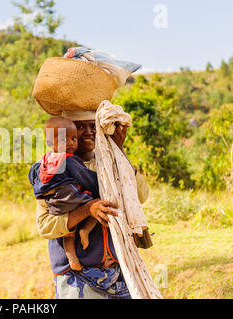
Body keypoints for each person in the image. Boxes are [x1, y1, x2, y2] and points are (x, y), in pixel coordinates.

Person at [35, 109, 149, 299]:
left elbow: (142, 196)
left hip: (119, 272)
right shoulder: (54, 170)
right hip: (77, 277)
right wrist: (86, 210)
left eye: (93, 126)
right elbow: (45, 226)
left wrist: (118, 152)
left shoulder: (111, 162)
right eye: (80, 127)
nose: (89, 132)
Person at [29, 117, 100, 271]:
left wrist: (42, 192)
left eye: (73, 138)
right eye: (64, 139)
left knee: (68, 234)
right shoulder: (70, 160)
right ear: (49, 143)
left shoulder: (42, 163)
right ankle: (86, 230)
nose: (70, 143)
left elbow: (33, 177)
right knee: (96, 205)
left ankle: (72, 258)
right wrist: (102, 188)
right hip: (72, 199)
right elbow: (87, 178)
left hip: (55, 204)